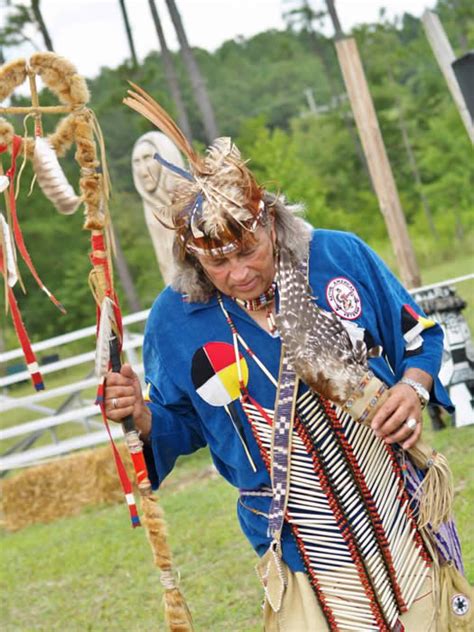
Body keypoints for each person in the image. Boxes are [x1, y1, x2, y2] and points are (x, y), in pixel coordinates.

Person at [106, 91, 471, 631]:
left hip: (401, 506)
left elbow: (419, 336)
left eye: (248, 249)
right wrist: (138, 413)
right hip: (299, 543)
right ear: (195, 258)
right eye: (218, 262)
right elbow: (179, 424)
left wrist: (412, 389)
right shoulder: (176, 320)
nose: (238, 272)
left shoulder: (336, 256)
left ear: (271, 223)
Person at [131, 131, 185, 284]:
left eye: (148, 158)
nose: (142, 170)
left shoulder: (194, 203)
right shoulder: (152, 212)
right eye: (136, 162)